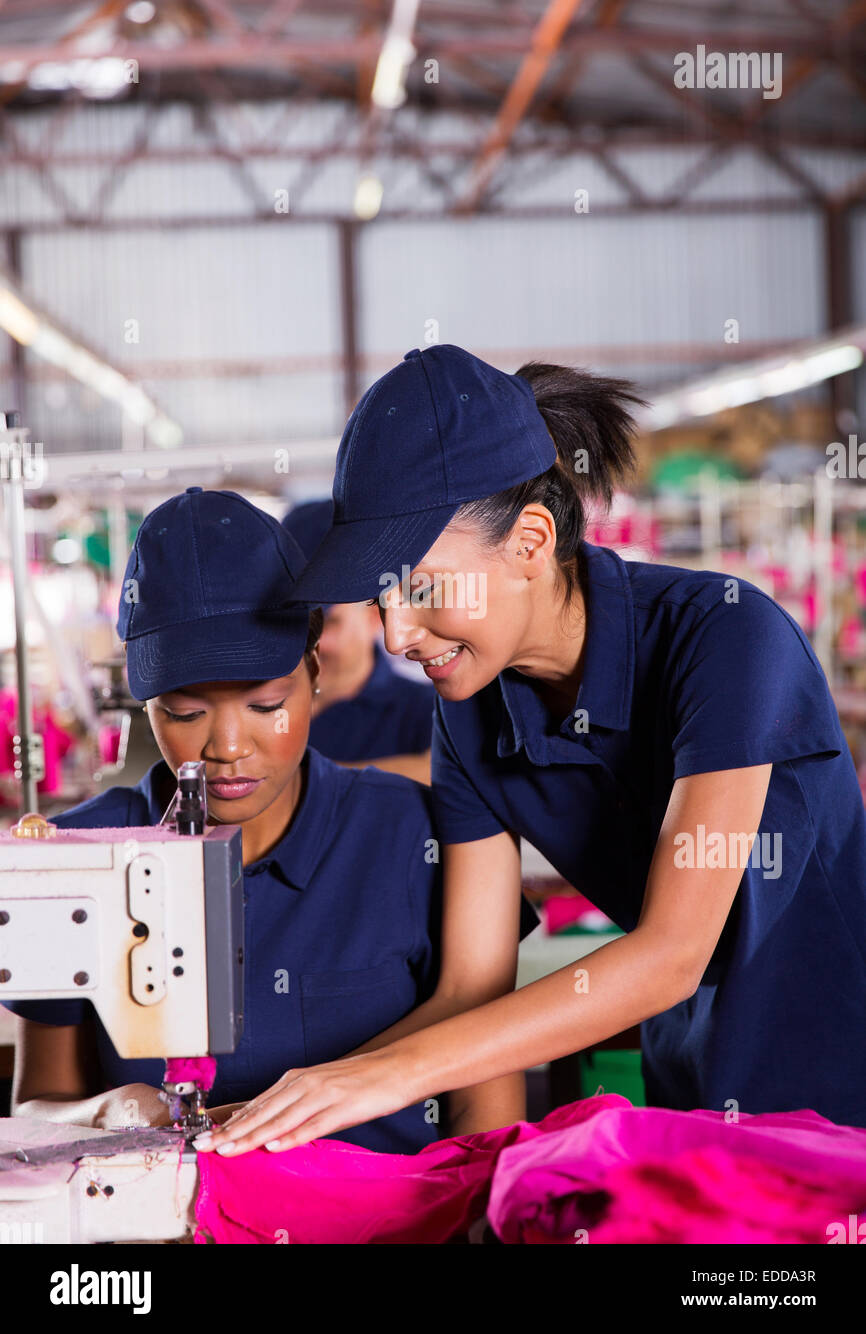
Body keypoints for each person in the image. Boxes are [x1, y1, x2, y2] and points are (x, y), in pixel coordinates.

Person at [196, 343, 866, 1162]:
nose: (399, 634)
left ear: (530, 542)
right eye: (380, 599)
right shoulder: (469, 718)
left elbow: (669, 957)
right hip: (691, 1094)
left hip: (839, 1090)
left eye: (425, 588)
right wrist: (268, 1109)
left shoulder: (728, 639)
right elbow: (471, 987)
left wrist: (383, 1080)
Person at [3, 485, 531, 1151]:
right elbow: (36, 1105)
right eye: (186, 713)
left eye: (264, 704)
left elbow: (487, 1114)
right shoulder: (78, 853)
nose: (226, 747)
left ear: (314, 673)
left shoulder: (412, 835)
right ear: (146, 708)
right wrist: (108, 1109)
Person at [282, 500, 433, 782]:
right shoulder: (254, 702)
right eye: (292, 623)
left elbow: (453, 779)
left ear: (376, 615)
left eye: (327, 624)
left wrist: (294, 782)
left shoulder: (426, 712)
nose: (307, 644)